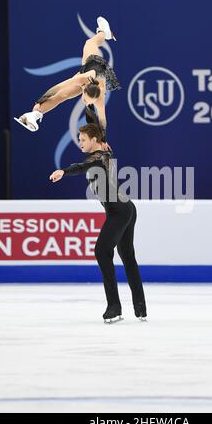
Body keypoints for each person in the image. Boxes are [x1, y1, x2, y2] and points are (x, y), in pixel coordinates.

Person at [49, 123, 147, 324]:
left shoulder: (100, 156)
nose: (80, 142)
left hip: (119, 211)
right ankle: (140, 308)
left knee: (102, 251)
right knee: (127, 257)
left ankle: (114, 307)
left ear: (94, 140)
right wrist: (90, 100)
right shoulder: (106, 150)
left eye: (83, 139)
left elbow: (82, 166)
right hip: (126, 208)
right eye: (79, 139)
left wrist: (64, 172)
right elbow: (96, 120)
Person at [14, 16, 121, 138]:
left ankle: (35, 114)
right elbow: (56, 88)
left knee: (64, 95)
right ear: (84, 87)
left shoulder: (99, 99)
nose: (85, 102)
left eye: (88, 101)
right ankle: (104, 33)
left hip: (100, 77)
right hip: (93, 64)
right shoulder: (80, 79)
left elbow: (102, 121)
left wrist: (103, 140)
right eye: (85, 99)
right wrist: (39, 101)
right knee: (90, 43)